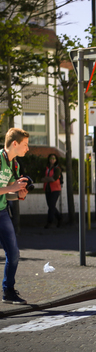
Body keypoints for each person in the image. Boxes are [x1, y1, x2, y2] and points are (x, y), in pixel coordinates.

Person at [0, 128, 30, 305]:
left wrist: (20, 193)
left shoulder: (15, 165)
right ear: (15, 144)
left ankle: (8, 292)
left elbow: (10, 193)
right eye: (25, 145)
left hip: (2, 212)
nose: (28, 148)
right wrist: (12, 188)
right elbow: (8, 188)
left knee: (14, 253)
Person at [42, 153, 63, 228]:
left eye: (54, 158)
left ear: (56, 160)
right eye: (51, 158)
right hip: (47, 189)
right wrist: (48, 179)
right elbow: (42, 178)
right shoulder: (46, 168)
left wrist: (47, 179)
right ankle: (59, 218)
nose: (52, 160)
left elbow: (54, 178)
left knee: (51, 206)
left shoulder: (57, 169)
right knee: (50, 206)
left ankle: (50, 222)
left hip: (55, 189)